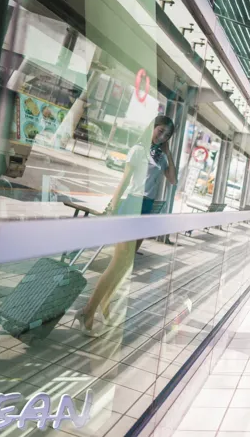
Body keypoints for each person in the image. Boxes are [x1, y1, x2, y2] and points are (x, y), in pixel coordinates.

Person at [74, 114, 178, 336]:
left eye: (167, 135)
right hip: (132, 204)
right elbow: (125, 180)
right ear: (153, 127)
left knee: (125, 265)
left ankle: (105, 305)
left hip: (146, 208)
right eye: (161, 131)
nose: (162, 137)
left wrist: (168, 152)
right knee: (117, 263)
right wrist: (112, 207)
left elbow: (173, 180)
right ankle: (87, 311)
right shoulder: (139, 150)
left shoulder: (160, 157)